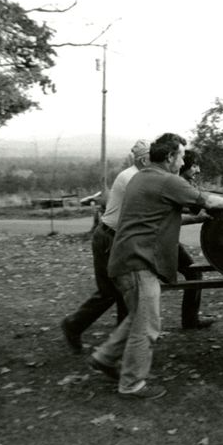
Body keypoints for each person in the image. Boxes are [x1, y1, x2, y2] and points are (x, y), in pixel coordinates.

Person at [87, 133, 223, 400]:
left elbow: (159, 216)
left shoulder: (142, 177)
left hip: (126, 260)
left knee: (138, 317)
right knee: (148, 325)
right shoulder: (166, 180)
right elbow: (208, 200)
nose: (183, 161)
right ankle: (132, 384)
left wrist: (194, 219)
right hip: (137, 263)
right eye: (182, 156)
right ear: (170, 157)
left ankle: (104, 357)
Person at [60, 139, 151, 354]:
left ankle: (123, 340)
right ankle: (73, 325)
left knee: (122, 288)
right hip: (109, 238)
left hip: (116, 237)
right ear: (144, 159)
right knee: (110, 291)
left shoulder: (140, 175)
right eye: (153, 158)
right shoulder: (131, 177)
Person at [177, 149, 214, 329]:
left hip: (162, 239)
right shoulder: (178, 185)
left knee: (193, 273)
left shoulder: (182, 182)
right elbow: (192, 209)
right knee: (193, 273)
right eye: (194, 166)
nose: (198, 170)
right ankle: (190, 320)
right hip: (157, 240)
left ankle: (190, 320)